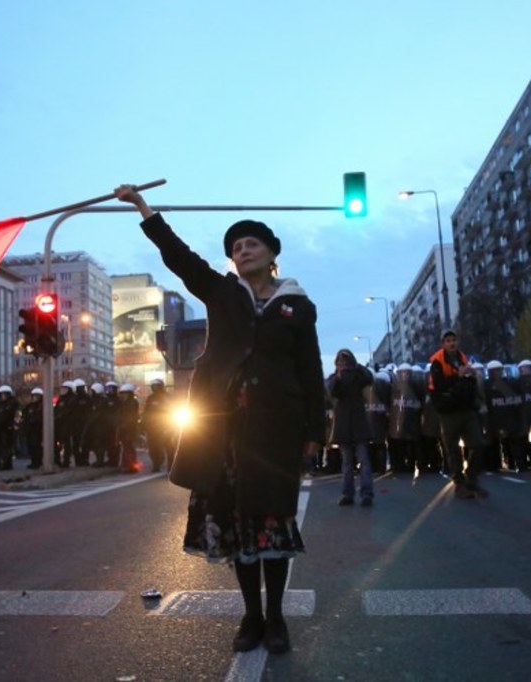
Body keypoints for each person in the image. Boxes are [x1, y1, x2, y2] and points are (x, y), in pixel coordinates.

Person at [116, 184, 325, 655]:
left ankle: (276, 618)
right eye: (235, 247)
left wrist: (315, 431)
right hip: (223, 432)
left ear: (272, 254)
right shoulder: (221, 292)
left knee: (272, 525)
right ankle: (251, 616)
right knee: (237, 528)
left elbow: (309, 370)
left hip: (274, 433)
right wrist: (144, 210)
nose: (242, 251)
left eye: (251, 244)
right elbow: (180, 257)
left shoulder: (297, 306)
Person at [428, 329, 487, 499]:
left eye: (453, 340)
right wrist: (458, 377)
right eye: (448, 340)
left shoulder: (462, 358)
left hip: (466, 410)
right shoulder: (437, 362)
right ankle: (459, 483)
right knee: (452, 449)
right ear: (443, 344)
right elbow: (438, 386)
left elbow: (468, 385)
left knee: (478, 444)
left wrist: (471, 378)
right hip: (448, 412)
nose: (452, 343)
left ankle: (471, 478)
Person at [327, 348, 375, 507]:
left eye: (345, 362)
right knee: (351, 462)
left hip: (354, 423)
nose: (343, 365)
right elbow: (332, 390)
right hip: (348, 424)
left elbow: (369, 377)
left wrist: (357, 367)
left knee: (358, 461)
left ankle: (362, 494)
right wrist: (342, 374)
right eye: (340, 363)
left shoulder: (356, 376)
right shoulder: (337, 378)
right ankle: (351, 494)